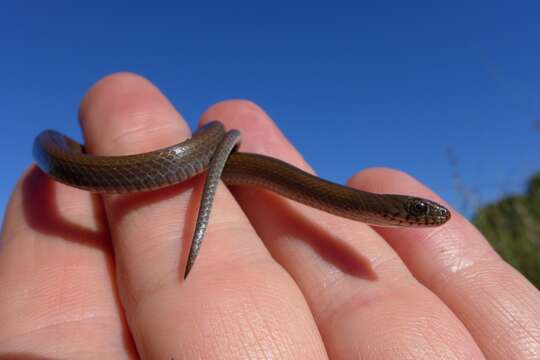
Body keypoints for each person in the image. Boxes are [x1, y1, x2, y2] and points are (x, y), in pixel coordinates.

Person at [1, 73, 538, 359]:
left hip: (223, 159)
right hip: (112, 161)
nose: (428, 215)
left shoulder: (349, 207)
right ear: (394, 213)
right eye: (418, 212)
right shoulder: (352, 203)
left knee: (222, 145)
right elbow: (55, 154)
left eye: (422, 212)